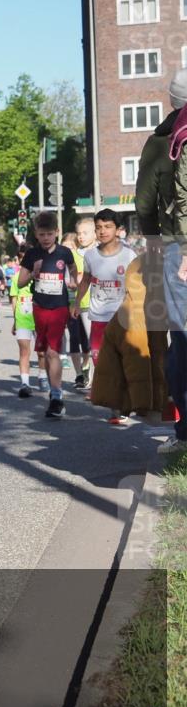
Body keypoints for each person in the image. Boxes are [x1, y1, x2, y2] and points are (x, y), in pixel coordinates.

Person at [72, 209, 138, 424]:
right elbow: (85, 281)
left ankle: (123, 404)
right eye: (99, 227)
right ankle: (116, 404)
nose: (103, 231)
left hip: (122, 317)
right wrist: (76, 302)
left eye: (108, 227)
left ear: (118, 230)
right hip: (98, 317)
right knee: (100, 361)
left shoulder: (129, 255)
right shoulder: (91, 256)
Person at [17, 212, 80, 419]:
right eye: (42, 234)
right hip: (39, 307)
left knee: (53, 351)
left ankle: (56, 397)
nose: (45, 238)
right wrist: (33, 274)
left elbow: (73, 270)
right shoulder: (32, 254)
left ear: (57, 232)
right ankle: (54, 391)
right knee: (44, 351)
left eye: (49, 234)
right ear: (36, 233)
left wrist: (73, 282)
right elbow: (20, 283)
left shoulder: (64, 252)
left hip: (59, 307)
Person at [162, 71, 187, 455]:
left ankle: (183, 436)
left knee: (181, 342)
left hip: (179, 247)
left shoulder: (180, 133)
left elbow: (184, 198)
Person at [10, 245, 45, 398]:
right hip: (22, 319)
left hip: (39, 319)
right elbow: (14, 300)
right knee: (24, 351)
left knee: (42, 352)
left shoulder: (43, 274)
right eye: (22, 258)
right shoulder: (16, 277)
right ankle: (25, 383)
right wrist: (15, 321)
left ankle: (42, 375)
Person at [61, 232, 92, 389]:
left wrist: (76, 283)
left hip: (85, 304)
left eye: (71, 246)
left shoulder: (82, 259)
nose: (68, 250)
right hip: (68, 304)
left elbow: (85, 280)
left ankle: (86, 366)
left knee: (86, 341)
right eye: (65, 246)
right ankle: (79, 374)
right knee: (74, 338)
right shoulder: (59, 263)